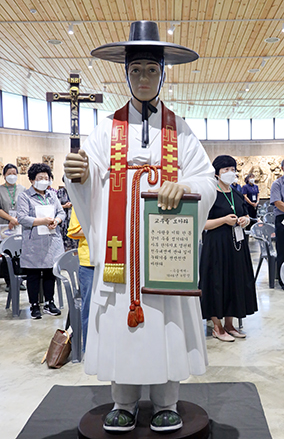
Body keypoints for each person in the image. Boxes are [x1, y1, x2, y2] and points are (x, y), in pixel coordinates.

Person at [64, 21, 216, 433]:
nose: (144, 78)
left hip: (164, 244)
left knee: (166, 317)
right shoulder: (106, 127)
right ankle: (124, 401)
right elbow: (90, 175)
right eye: (136, 71)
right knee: (119, 318)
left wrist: (184, 186)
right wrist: (78, 174)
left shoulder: (178, 128)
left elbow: (206, 180)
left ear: (163, 73)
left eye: (151, 70)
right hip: (121, 249)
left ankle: (167, 400)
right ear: (125, 74)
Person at [200, 155, 257, 342]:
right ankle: (217, 326)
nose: (230, 173)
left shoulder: (236, 192)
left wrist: (245, 220)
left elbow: (247, 216)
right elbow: (202, 224)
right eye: (226, 170)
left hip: (236, 246)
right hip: (216, 245)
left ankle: (229, 324)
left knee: (234, 282)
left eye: (232, 169)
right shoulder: (210, 193)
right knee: (216, 282)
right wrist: (223, 220)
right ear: (217, 173)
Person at [17, 163, 65, 319]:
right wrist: (42, 221)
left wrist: (56, 221)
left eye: (46, 178)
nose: (44, 180)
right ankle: (34, 305)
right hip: (34, 243)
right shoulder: (24, 196)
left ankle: (50, 303)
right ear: (32, 180)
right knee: (34, 275)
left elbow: (61, 212)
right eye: (40, 178)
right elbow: (22, 218)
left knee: (50, 273)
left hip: (52, 240)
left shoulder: (52, 195)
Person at [67, 207, 94, 351]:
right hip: (89, 263)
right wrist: (98, 228)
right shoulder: (81, 201)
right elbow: (73, 231)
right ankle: (89, 348)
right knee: (88, 307)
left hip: (115, 260)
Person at [0, 163, 26, 292]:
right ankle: (9, 281)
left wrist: (17, 220)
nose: (12, 176)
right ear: (4, 175)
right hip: (4, 227)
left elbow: (26, 207)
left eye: (14, 174)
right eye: (9, 173)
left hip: (20, 225)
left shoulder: (22, 189)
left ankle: (20, 279)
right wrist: (11, 219)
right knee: (7, 254)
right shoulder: (0, 190)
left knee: (19, 254)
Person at [270, 159, 284, 289]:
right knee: (282, 251)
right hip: (282, 219)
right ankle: (282, 280)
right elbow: (278, 203)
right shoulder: (277, 184)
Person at [57, 180, 77, 251]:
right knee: (65, 245)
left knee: (75, 244)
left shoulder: (77, 190)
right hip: (64, 221)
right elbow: (56, 207)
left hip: (75, 219)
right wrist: (65, 206)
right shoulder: (60, 192)